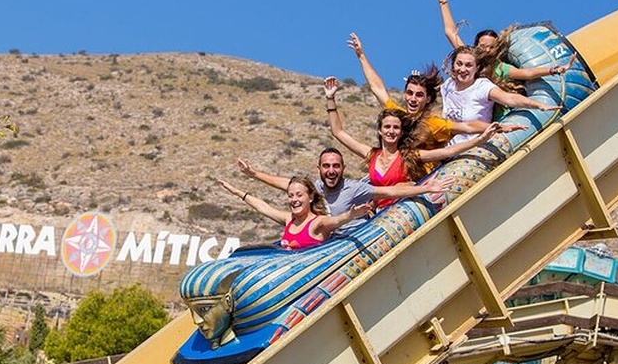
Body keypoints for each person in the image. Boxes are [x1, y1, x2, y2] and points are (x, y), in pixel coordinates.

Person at [324, 76, 506, 193]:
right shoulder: (373, 154)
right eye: (387, 127)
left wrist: (486, 134)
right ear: (379, 130)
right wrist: (330, 98)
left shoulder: (411, 154)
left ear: (401, 132)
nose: (391, 131)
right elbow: (339, 131)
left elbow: (451, 146)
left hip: (408, 197)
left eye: (395, 128)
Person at [345, 33, 525, 149]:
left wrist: (500, 127)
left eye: (419, 95)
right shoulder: (399, 116)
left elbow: (468, 126)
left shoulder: (435, 123)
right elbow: (377, 88)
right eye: (410, 94)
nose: (413, 99)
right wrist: (361, 56)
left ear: (428, 99)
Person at [237, 147, 454, 229]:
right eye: (326, 166)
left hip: (355, 238)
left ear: (342, 169)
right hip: (331, 242)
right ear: (319, 169)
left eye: (336, 166)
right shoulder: (314, 188)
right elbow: (285, 184)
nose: (331, 171)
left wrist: (425, 188)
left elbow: (390, 191)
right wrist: (254, 174)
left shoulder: (354, 189)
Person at [426, 0, 577, 82]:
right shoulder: (468, 58)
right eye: (483, 46)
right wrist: (442, 0)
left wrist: (555, 70)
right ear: (476, 45)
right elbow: (450, 32)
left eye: (491, 47)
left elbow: (527, 73)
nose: (486, 50)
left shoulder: (499, 68)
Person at [442, 45, 560, 144]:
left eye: (468, 65)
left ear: (477, 68)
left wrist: (538, 104)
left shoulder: (481, 87)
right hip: (446, 147)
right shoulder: (448, 85)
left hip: (473, 145)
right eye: (459, 64)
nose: (462, 69)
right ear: (453, 65)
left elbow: (509, 98)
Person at [217, 176, 373, 250]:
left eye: (299, 195)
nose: (294, 200)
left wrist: (352, 214)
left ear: (310, 197)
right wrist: (237, 192)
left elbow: (338, 220)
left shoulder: (318, 223)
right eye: (290, 195)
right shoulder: (288, 219)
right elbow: (264, 208)